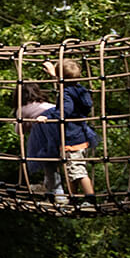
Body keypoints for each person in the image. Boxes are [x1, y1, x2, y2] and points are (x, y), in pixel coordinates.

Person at [43, 60, 100, 203]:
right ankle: (72, 198)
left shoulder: (66, 93)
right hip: (81, 134)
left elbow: (65, 110)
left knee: (78, 172)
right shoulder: (80, 90)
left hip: (71, 138)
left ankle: (90, 199)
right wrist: (54, 75)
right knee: (71, 170)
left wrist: (48, 116)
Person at [16, 83, 63, 200]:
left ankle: (58, 194)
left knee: (48, 163)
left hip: (44, 135)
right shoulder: (46, 104)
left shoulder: (22, 109)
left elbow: (18, 130)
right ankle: (50, 189)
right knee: (58, 164)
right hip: (61, 130)